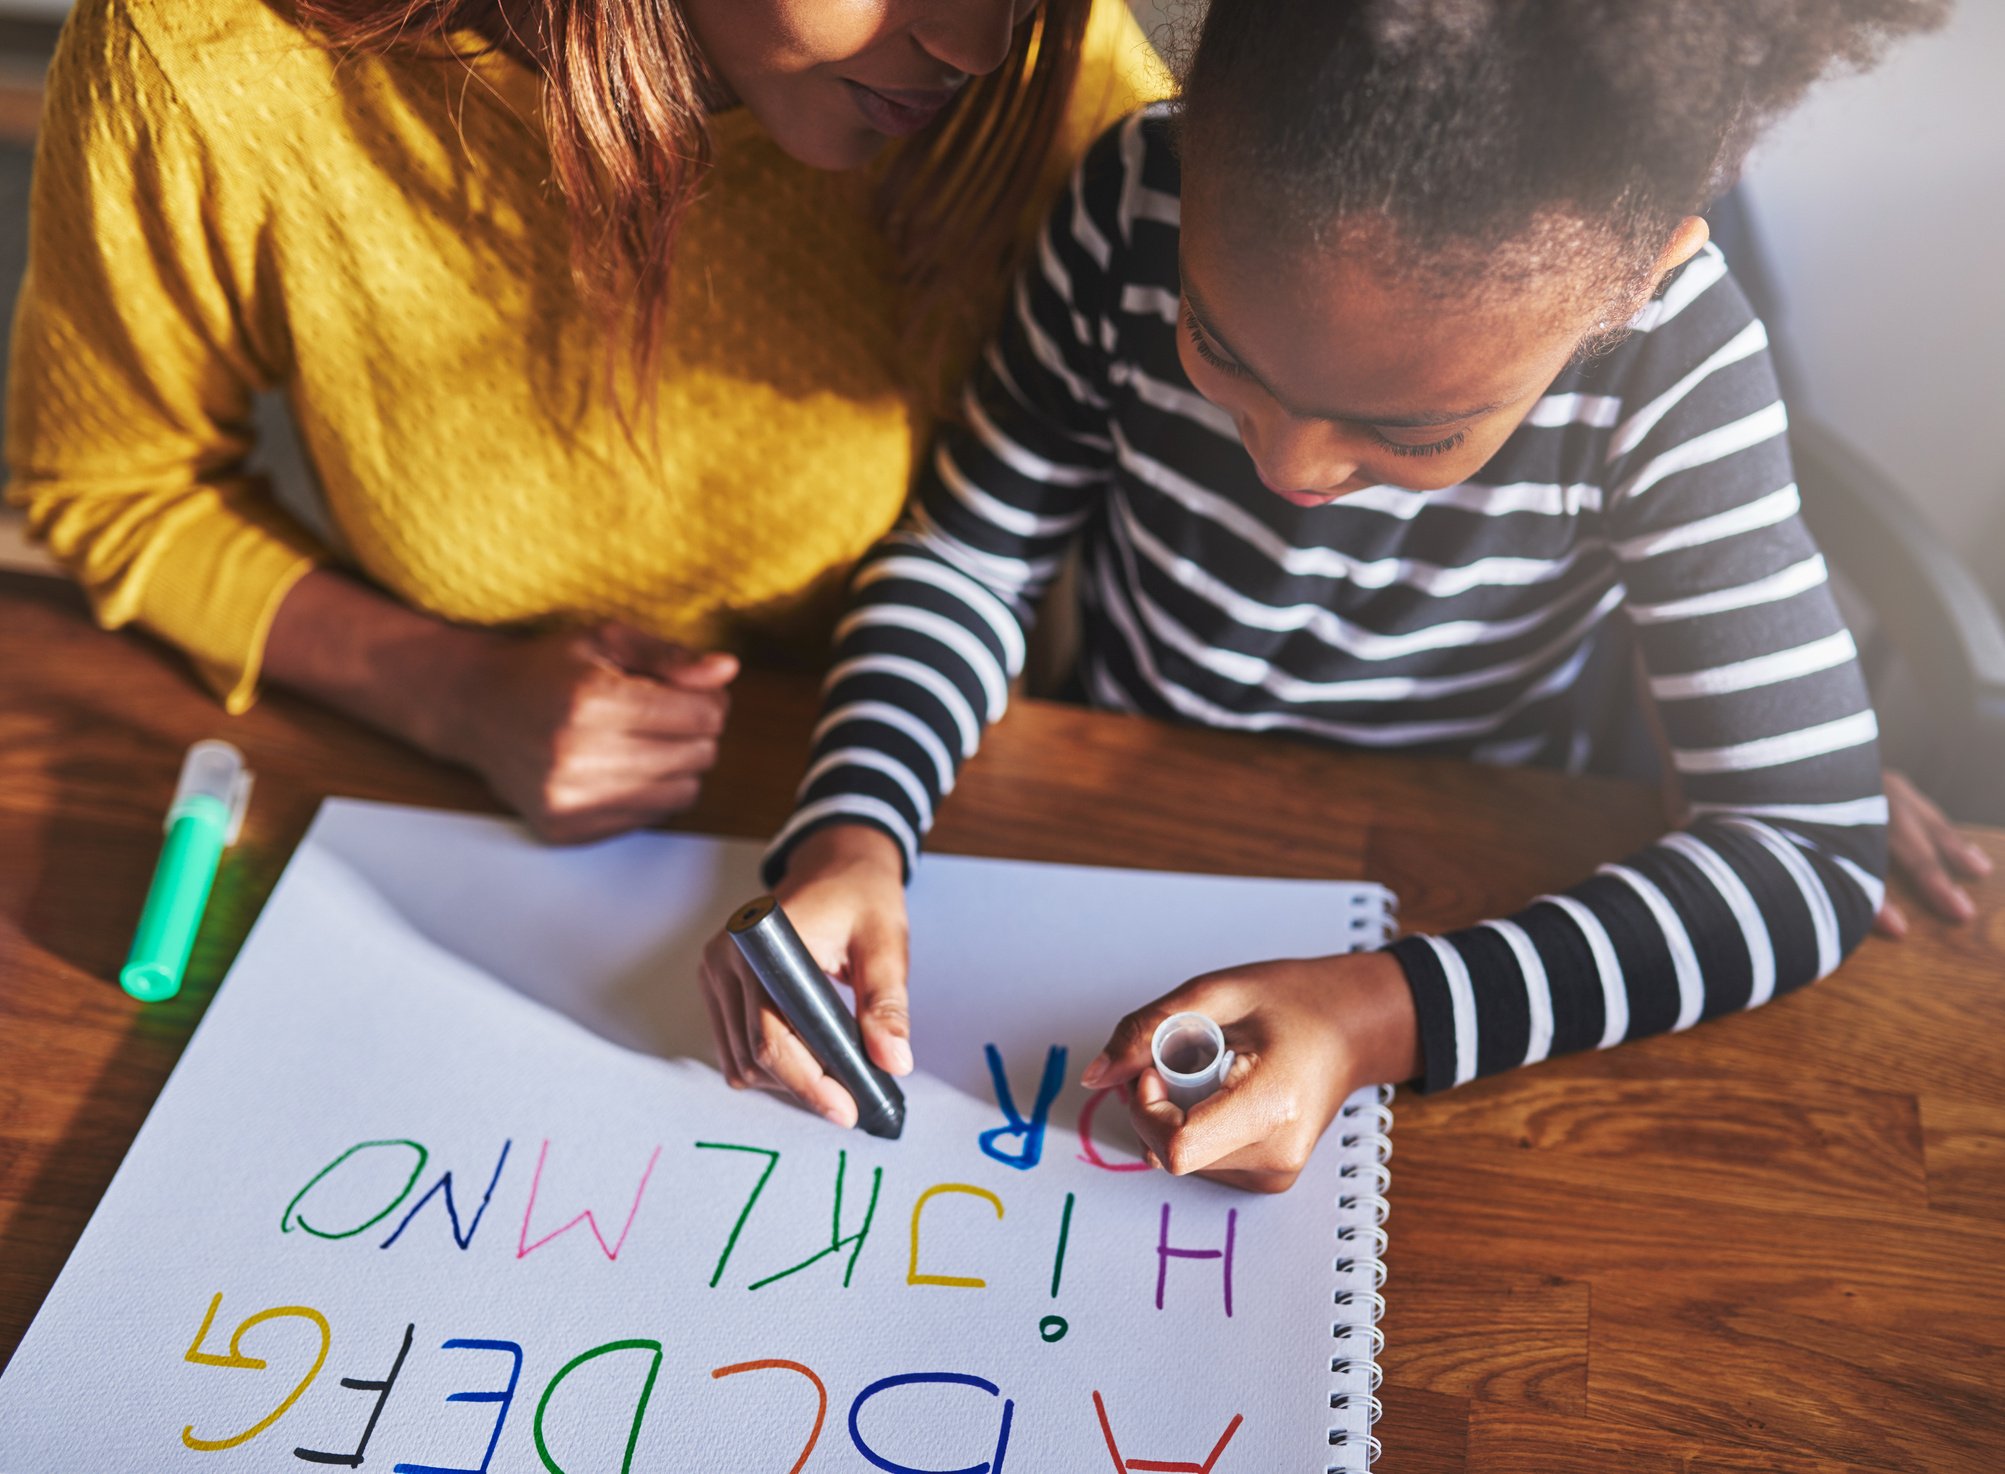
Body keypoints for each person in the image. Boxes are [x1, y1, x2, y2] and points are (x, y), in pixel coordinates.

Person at [698, 0, 1949, 1187]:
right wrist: (852, 828)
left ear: (1637, 281)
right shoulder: (1135, 195)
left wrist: (1372, 1014)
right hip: (1123, 815)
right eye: (1216, 345)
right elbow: (969, 558)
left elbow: (1804, 848)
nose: (1287, 467)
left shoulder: (1675, 351)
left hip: (1470, 865)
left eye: (1412, 432)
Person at [4, 0, 1163, 841]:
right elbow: (112, 487)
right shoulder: (207, 61)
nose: (981, 44)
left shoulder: (1049, 45)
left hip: (941, 798)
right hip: (456, 816)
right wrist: (451, 693)